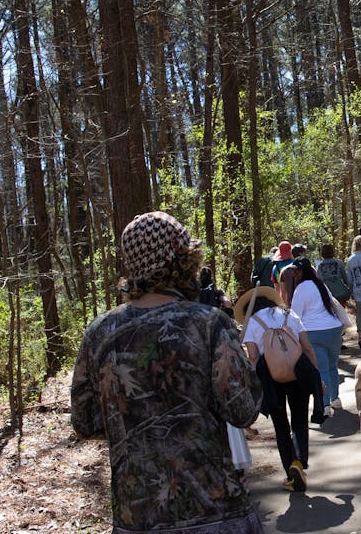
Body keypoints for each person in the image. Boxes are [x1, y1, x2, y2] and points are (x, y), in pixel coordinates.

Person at [71, 211, 264, 533]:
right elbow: (243, 410)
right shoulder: (209, 323)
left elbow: (85, 422)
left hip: (137, 518)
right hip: (216, 512)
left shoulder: (99, 333)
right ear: (181, 259)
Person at [236, 286, 321, 492]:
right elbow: (306, 346)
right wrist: (316, 375)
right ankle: (298, 463)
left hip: (269, 375)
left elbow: (253, 356)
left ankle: (291, 475)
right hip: (298, 370)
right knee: (299, 420)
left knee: (281, 424)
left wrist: (254, 383)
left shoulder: (252, 322)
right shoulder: (289, 314)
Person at [281, 257, 346, 416]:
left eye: (297, 271)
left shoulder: (301, 288)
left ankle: (325, 405)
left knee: (321, 368)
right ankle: (335, 399)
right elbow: (333, 304)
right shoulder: (320, 284)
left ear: (303, 271)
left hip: (314, 332)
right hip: (334, 329)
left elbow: (296, 315)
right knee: (332, 365)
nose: (295, 274)